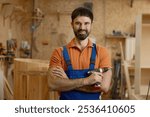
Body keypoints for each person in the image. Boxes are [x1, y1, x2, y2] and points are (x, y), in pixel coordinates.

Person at [47, 7, 112, 100]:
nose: (82, 28)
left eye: (86, 23)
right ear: (72, 24)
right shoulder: (59, 52)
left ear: (91, 25)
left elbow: (104, 87)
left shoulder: (102, 52)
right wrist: (86, 81)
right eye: (78, 23)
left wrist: (67, 82)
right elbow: (52, 84)